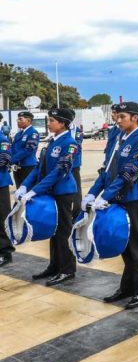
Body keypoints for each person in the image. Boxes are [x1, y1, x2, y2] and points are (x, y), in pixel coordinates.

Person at [83, 102, 138, 309]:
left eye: (122, 117)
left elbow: (128, 173)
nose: (117, 120)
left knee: (137, 247)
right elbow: (106, 171)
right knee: (124, 245)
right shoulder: (119, 138)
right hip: (117, 199)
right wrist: (92, 193)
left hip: (134, 199)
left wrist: (106, 196)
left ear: (134, 118)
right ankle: (127, 287)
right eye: (117, 116)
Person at [16, 107, 78, 286]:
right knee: (53, 230)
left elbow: (58, 172)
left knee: (63, 232)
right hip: (51, 192)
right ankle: (54, 265)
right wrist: (25, 186)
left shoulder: (69, 143)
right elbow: (38, 168)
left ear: (63, 123)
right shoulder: (52, 141)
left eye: (52, 120)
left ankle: (67, 269)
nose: (48, 123)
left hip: (63, 193)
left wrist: (36, 191)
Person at [11, 111, 40, 188]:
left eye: (20, 119)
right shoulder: (19, 134)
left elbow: (29, 150)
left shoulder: (33, 133)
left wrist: (12, 160)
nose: (18, 121)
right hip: (17, 167)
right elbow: (13, 148)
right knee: (19, 189)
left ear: (28, 120)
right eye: (18, 119)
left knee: (28, 189)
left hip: (28, 166)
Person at [0, 129, 14, 267]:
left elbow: (4, 159)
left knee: (2, 218)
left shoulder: (2, 139)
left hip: (1, 183)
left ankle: (5, 252)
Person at [69, 111, 84, 217]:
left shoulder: (76, 130)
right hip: (62, 165)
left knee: (76, 188)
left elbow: (77, 145)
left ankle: (77, 210)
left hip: (73, 164)